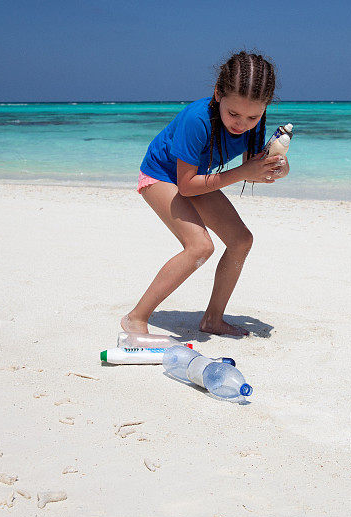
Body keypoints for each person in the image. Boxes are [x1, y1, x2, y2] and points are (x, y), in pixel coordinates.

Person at [121, 51, 289, 337]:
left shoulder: (254, 120)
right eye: (233, 113)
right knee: (200, 247)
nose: (242, 123)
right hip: (160, 175)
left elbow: (253, 169)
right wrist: (245, 171)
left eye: (253, 116)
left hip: (196, 176)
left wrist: (278, 167)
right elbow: (186, 186)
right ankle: (135, 318)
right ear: (217, 94)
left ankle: (213, 319)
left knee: (241, 240)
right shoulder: (197, 119)